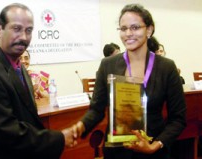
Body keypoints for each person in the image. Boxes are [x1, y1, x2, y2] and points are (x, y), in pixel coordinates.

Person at [72, 4, 186, 159]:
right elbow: (96, 109)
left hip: (153, 151)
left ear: (149, 30)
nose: (128, 34)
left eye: (135, 27)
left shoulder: (166, 67)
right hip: (116, 152)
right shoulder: (108, 64)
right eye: (123, 28)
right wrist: (80, 126)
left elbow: (178, 119)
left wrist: (154, 146)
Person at [0, 3, 76, 159]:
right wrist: (59, 139)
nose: (23, 37)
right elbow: (7, 133)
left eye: (28, 30)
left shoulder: (18, 66)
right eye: (16, 29)